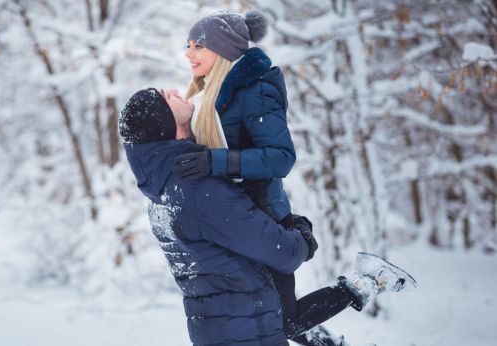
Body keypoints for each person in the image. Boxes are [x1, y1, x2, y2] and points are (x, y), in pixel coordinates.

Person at [119, 88, 417, 346]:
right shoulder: (196, 191)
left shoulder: (163, 192)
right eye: (163, 98)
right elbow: (284, 253)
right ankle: (369, 281)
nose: (172, 90)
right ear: (162, 124)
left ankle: (364, 289)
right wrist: (301, 234)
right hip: (248, 335)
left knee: (288, 319)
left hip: (223, 331)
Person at [173, 10, 318, 343]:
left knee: (286, 319)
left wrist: (214, 162)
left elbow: (281, 158)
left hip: (264, 213)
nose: (188, 54)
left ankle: (357, 288)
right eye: (188, 45)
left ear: (223, 49)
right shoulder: (206, 92)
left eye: (198, 46)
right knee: (265, 317)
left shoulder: (256, 89)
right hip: (234, 216)